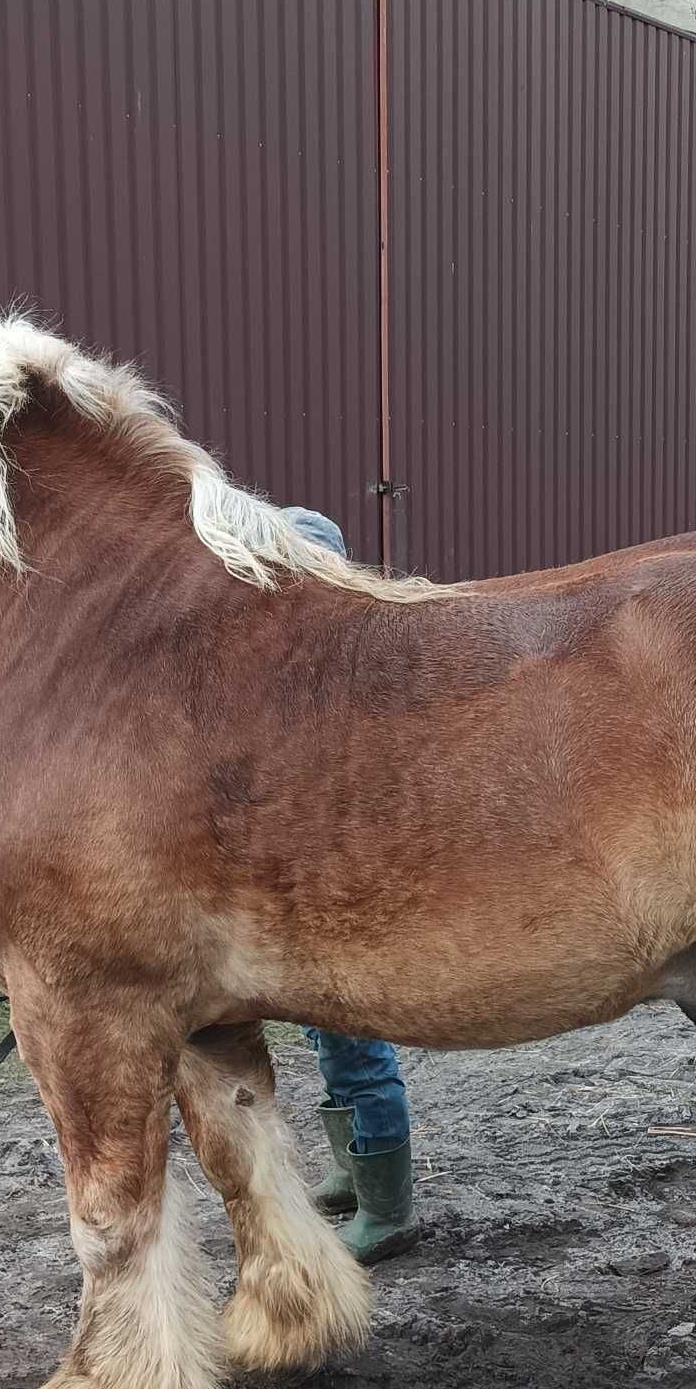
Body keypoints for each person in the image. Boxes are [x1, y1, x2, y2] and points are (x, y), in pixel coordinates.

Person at [278, 505, 423, 1266]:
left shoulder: (349, 682)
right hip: (306, 892)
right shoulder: (296, 676)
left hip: (345, 896)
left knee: (357, 1044)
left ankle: (389, 1209)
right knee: (325, 1037)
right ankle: (352, 1169)